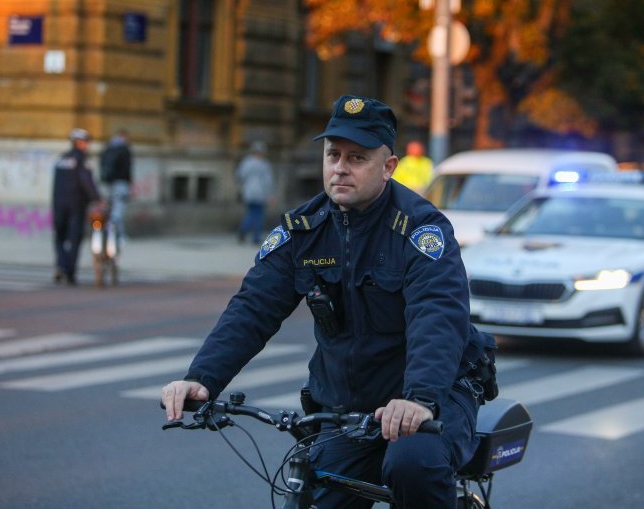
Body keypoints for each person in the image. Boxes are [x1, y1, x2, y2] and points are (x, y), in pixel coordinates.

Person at [162, 95, 497, 508]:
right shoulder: (303, 230)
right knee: (316, 491)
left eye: (357, 158)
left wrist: (420, 399)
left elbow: (437, 314)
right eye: (333, 154)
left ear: (388, 167)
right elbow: (253, 307)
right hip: (346, 407)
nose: (340, 167)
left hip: (432, 398)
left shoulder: (419, 228)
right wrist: (203, 378)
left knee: (414, 465)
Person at [52, 128, 101, 285]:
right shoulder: (82, 160)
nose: (87, 145)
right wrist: (97, 199)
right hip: (76, 206)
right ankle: (70, 272)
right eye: (86, 142)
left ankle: (61, 265)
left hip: (59, 205)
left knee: (60, 237)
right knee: (74, 239)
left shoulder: (62, 159)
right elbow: (86, 182)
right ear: (80, 143)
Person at [235, 140, 274, 244]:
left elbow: (240, 176)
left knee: (250, 213)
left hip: (248, 192)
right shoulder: (264, 164)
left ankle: (243, 231)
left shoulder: (246, 162)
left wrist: (242, 188)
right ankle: (256, 237)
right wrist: (270, 195)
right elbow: (267, 181)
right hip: (260, 193)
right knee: (258, 215)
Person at [99, 128, 133, 242]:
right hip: (120, 183)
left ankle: (110, 233)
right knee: (118, 211)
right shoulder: (124, 149)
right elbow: (127, 169)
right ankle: (115, 234)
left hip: (106, 183)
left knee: (109, 209)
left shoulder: (107, 148)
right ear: (124, 136)